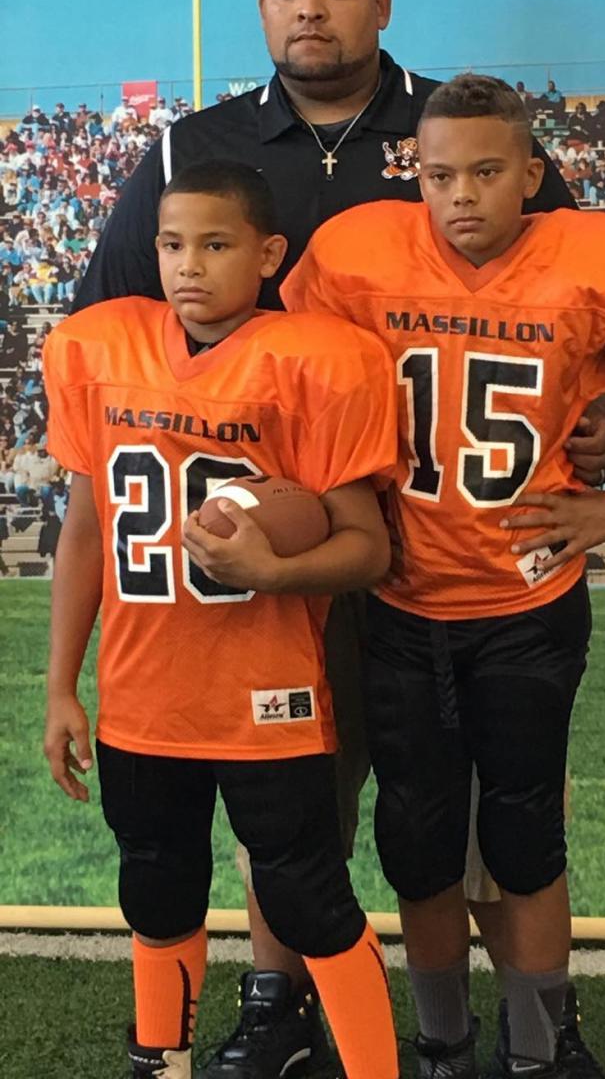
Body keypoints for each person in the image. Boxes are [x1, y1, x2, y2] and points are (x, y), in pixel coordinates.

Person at [69, 0, 605, 1076]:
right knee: (293, 803)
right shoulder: (189, 150)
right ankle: (279, 1010)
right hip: (256, 557)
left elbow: (573, 299)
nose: (308, 9)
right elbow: (116, 327)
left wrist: (600, 423)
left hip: (438, 554)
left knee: (477, 819)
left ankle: (516, 1031)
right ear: (260, 11)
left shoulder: (456, 130)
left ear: (382, 6)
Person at [281, 74, 605, 1078]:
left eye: (488, 172)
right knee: (415, 840)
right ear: (415, 174)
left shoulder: (597, 261)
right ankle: (444, 1041)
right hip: (400, 601)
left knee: (525, 830)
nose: (461, 196)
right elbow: (298, 372)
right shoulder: (360, 253)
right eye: (440, 174)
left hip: (527, 602)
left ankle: (539, 1044)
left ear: (531, 175)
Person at [41, 162, 400, 1079]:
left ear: (269, 254)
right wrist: (59, 687)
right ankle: (160, 1061)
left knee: (308, 896)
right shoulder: (100, 346)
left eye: (215, 243)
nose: (188, 265)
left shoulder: (313, 358)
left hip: (264, 692)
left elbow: (368, 548)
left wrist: (272, 568)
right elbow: (85, 532)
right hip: (141, 690)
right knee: (155, 888)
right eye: (171, 244)